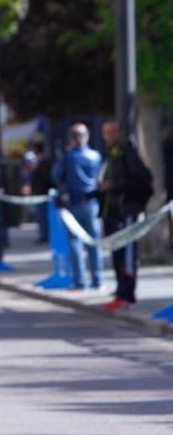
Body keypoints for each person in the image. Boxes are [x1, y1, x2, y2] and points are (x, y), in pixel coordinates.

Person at [96, 120, 153, 310]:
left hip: (125, 212)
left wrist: (114, 186)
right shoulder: (112, 155)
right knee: (117, 254)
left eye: (112, 133)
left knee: (126, 254)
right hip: (111, 211)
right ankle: (121, 290)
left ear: (119, 134)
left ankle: (127, 294)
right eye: (106, 133)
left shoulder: (128, 152)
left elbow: (141, 180)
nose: (108, 137)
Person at [53, 123, 103, 290]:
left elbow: (56, 175)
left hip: (74, 203)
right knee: (93, 243)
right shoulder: (95, 156)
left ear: (72, 138)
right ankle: (97, 279)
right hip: (92, 203)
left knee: (75, 242)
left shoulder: (68, 156)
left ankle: (80, 281)